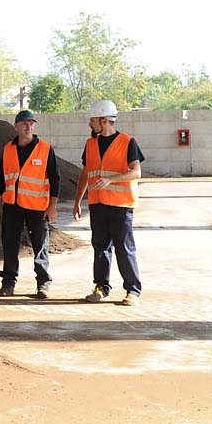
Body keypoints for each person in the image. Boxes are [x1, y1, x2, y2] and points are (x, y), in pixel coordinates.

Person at [71, 99, 145, 306]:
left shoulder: (127, 142)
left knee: (124, 247)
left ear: (104, 121)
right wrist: (77, 201)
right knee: (100, 247)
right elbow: (85, 174)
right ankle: (101, 287)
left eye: (92, 120)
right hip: (97, 204)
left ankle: (133, 290)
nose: (89, 124)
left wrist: (111, 180)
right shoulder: (90, 144)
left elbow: (136, 172)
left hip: (121, 206)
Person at [0, 109, 60, 298]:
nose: (29, 127)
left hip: (37, 207)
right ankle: (8, 284)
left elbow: (55, 179)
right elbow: (1, 178)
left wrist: (52, 206)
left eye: (32, 124)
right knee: (10, 244)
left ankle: (43, 284)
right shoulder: (8, 149)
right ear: (16, 127)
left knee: (40, 245)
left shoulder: (45, 149)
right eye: (25, 124)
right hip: (12, 206)